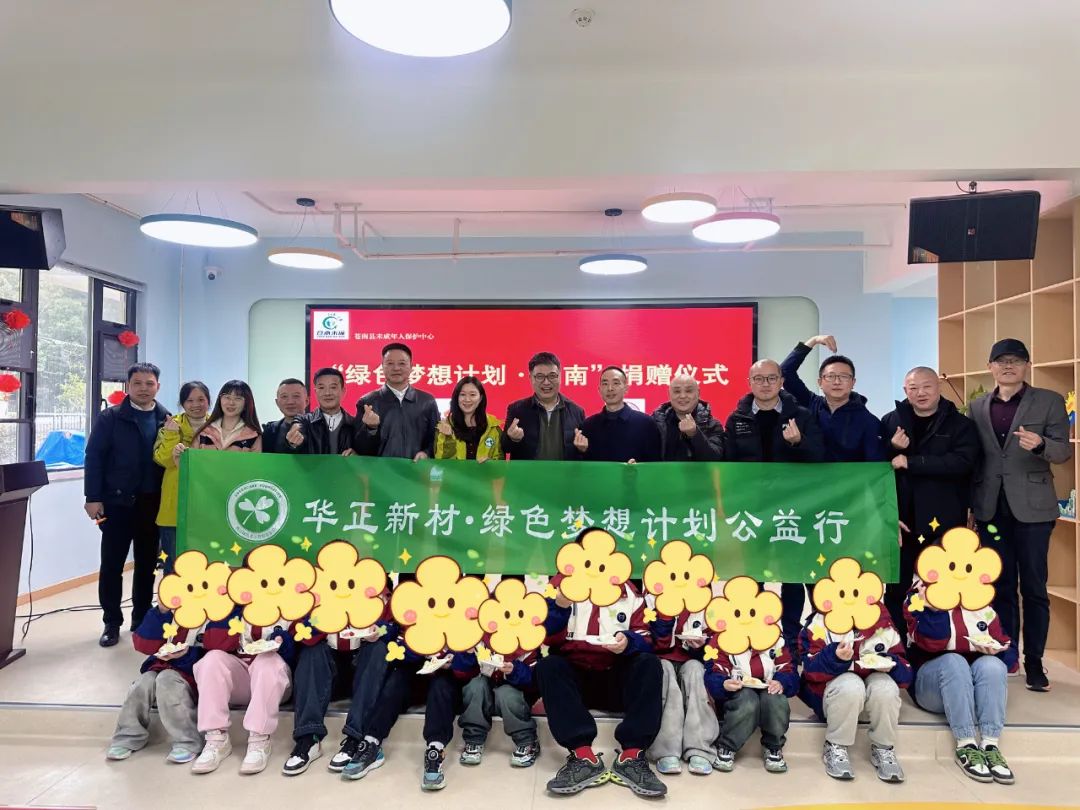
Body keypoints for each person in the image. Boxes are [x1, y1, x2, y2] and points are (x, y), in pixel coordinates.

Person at [969, 338, 1072, 692]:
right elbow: (976, 458)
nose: (1008, 366)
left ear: (1027, 365)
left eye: (1015, 360)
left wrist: (1040, 445)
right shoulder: (977, 406)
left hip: (1033, 509)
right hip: (990, 509)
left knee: (1033, 586)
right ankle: (1007, 653)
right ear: (990, 367)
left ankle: (1035, 661)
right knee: (999, 585)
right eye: (1001, 361)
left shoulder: (1049, 401)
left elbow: (1063, 452)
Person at [536, 550, 667, 797]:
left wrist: (628, 641)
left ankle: (632, 756)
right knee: (549, 665)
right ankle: (583, 756)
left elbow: (645, 637)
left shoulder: (628, 591)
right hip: (575, 681)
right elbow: (545, 637)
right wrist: (560, 608)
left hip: (615, 678)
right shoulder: (560, 586)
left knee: (649, 663)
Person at [724, 359, 825, 652]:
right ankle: (754, 635)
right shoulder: (737, 418)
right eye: (758, 379)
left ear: (781, 381)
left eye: (771, 378)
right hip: (752, 511)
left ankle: (792, 639)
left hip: (792, 510)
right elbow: (728, 464)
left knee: (792, 574)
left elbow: (820, 457)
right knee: (752, 575)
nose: (765, 384)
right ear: (749, 383)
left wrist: (798, 442)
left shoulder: (802, 415)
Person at [880, 367, 980, 640]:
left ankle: (937, 646)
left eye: (927, 386)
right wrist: (892, 448)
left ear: (938, 387)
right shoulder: (890, 421)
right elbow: (877, 466)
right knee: (896, 589)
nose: (920, 393)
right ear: (905, 391)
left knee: (940, 587)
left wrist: (912, 462)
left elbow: (963, 463)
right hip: (900, 521)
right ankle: (898, 647)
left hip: (943, 520)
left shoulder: (960, 424)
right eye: (913, 388)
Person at [84, 362, 169, 648]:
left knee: (147, 565)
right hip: (116, 502)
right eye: (137, 383)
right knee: (112, 565)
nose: (144, 388)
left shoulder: (166, 419)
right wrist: (92, 497)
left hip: (152, 504)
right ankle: (111, 621)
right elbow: (94, 457)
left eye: (149, 383)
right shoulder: (111, 417)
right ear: (128, 386)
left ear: (158, 386)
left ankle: (141, 618)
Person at [904, 574, 1018, 784]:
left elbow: (1010, 654)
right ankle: (966, 744)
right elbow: (931, 642)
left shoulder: (979, 596)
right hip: (931, 685)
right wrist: (934, 610)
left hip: (970, 691)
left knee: (992, 666)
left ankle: (990, 744)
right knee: (954, 662)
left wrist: (997, 652)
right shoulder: (920, 593)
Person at [799, 598, 912, 783]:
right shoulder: (820, 621)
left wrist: (892, 664)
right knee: (851, 685)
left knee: (886, 687)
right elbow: (810, 670)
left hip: (871, 701)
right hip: (835, 698)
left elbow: (906, 674)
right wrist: (835, 657)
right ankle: (835, 745)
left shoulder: (882, 621)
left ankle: (883, 748)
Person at [284, 586, 392, 777]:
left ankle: (356, 738)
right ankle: (308, 737)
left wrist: (380, 630)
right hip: (330, 671)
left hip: (365, 670)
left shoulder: (377, 590)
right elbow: (298, 630)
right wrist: (322, 622)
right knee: (311, 651)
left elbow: (393, 627)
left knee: (378, 649)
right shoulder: (318, 589)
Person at [341, 644, 478, 791]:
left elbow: (472, 665)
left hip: (448, 679)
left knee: (441, 686)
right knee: (396, 681)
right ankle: (371, 742)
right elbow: (399, 651)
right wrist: (421, 651)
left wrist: (453, 660)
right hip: (416, 674)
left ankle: (435, 751)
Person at [191, 607, 297, 775]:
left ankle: (259, 739)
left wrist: (282, 640)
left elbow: (298, 648)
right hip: (241, 678)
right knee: (212, 659)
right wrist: (234, 611)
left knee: (267, 661)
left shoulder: (286, 603)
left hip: (275, 681)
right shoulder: (226, 605)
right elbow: (212, 643)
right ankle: (216, 738)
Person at [105, 605, 203, 765]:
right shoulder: (172, 612)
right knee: (142, 684)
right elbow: (142, 643)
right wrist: (161, 612)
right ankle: (127, 736)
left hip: (192, 673)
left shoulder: (216, 610)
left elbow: (218, 649)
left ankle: (187, 741)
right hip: (161, 665)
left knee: (167, 681)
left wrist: (187, 655)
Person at [779, 335, 884, 462]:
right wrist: (813, 341)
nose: (837, 382)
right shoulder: (811, 403)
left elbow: (874, 465)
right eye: (830, 376)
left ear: (853, 382)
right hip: (809, 474)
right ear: (820, 382)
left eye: (844, 376)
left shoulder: (868, 421)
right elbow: (784, 372)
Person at [703, 633, 798, 773]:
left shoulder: (776, 640)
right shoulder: (723, 639)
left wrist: (782, 682)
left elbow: (787, 667)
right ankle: (727, 746)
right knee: (747, 702)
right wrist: (723, 683)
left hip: (768, 685)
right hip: (737, 689)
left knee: (776, 701)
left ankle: (773, 746)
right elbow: (715, 668)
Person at [646, 609, 718, 775]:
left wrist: (702, 646)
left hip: (693, 659)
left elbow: (717, 644)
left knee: (696, 670)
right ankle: (666, 749)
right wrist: (665, 617)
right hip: (661, 658)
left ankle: (700, 748)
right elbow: (647, 639)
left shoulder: (708, 606)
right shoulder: (653, 601)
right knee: (663, 670)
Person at [152, 381, 210, 574]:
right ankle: (172, 596)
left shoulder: (218, 425)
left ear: (209, 401)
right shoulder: (171, 425)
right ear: (182, 403)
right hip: (175, 507)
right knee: (174, 564)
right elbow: (163, 460)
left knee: (207, 564)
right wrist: (171, 435)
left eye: (201, 399)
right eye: (190, 400)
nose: (196, 405)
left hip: (208, 507)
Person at [354, 342, 439, 460]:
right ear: (382, 366)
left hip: (417, 469)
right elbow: (359, 450)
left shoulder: (427, 401)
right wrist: (371, 429)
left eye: (402, 363)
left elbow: (436, 440)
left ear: (411, 366)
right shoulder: (367, 402)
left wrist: (427, 453)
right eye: (390, 363)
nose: (396, 368)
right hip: (380, 471)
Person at [503, 352, 586, 460]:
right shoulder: (517, 410)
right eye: (540, 376)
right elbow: (504, 448)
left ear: (560, 377)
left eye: (552, 376)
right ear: (530, 378)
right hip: (528, 471)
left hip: (565, 471)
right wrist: (511, 439)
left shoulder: (577, 412)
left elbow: (583, 454)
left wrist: (583, 449)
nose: (546, 382)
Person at [575, 366, 661, 463]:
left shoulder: (646, 423)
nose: (610, 388)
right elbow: (581, 466)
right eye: (605, 384)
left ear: (626, 388)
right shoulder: (588, 425)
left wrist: (639, 467)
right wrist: (581, 451)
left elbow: (655, 464)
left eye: (616, 383)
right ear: (599, 390)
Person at [284, 368, 359, 456]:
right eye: (321, 388)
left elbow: (365, 450)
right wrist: (293, 441)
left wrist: (358, 456)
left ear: (343, 391)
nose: (327, 393)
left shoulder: (355, 424)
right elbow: (297, 430)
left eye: (333, 387)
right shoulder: (304, 421)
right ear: (315, 392)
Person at [650, 374, 724, 461]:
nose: (683, 396)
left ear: (698, 393)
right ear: (669, 394)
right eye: (677, 391)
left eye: (688, 391)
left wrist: (695, 434)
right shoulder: (655, 424)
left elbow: (715, 459)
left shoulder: (712, 425)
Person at [434, 376, 503, 461]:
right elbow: (440, 461)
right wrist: (448, 439)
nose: (467, 399)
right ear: (457, 397)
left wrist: (490, 463)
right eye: (462, 394)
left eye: (472, 395)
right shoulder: (445, 425)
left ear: (481, 398)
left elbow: (500, 461)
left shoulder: (493, 428)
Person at [185, 380, 262, 452]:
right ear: (220, 400)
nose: (231, 403)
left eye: (238, 398)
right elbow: (191, 461)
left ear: (246, 404)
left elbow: (255, 462)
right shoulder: (204, 432)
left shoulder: (253, 436)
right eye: (227, 397)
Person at [262, 377, 309, 454]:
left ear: (307, 401)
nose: (290, 402)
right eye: (284, 396)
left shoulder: (318, 429)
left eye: (296, 396)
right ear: (277, 402)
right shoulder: (270, 431)